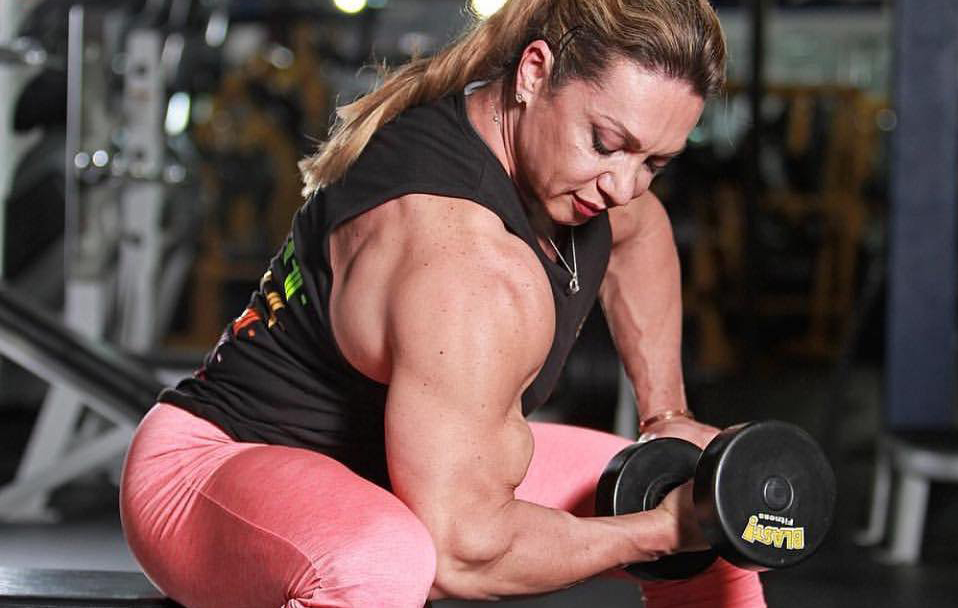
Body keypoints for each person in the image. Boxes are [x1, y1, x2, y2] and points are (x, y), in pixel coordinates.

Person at [119, 0, 766, 606]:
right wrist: (655, 532)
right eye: (605, 142)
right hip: (213, 472)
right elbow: (464, 552)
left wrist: (668, 417)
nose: (625, 185)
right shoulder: (463, 263)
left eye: (654, 161)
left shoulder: (574, 179)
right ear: (533, 74)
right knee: (381, 561)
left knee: (714, 495)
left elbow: (641, 230)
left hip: (398, 474)